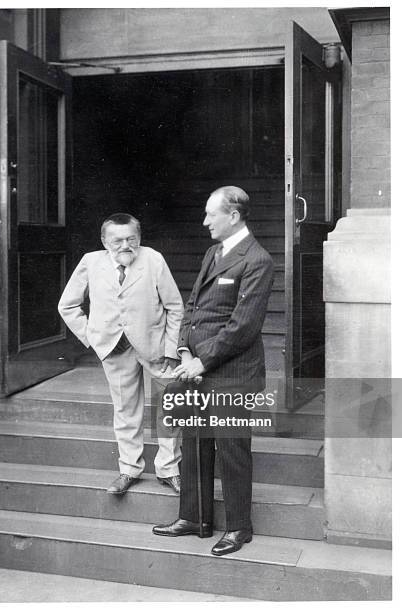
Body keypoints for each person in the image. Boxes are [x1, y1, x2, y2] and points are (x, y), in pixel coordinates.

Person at [152, 186, 274, 556]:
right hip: (197, 367)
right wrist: (186, 348)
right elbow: (191, 306)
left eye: (211, 215)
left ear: (233, 216)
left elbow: (243, 326)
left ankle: (239, 528)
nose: (205, 221)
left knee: (232, 449)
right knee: (194, 442)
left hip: (232, 372)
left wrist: (201, 362)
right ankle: (194, 517)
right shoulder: (212, 253)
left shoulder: (257, 260)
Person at [58, 213, 184, 495]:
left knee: (170, 408)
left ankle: (169, 469)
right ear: (104, 241)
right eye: (117, 240)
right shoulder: (91, 262)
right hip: (114, 348)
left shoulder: (153, 259)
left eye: (131, 238)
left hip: (156, 347)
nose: (125, 245)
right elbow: (67, 306)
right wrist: (93, 336)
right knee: (126, 410)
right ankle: (129, 469)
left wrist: (171, 349)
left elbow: (175, 307)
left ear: (139, 238)